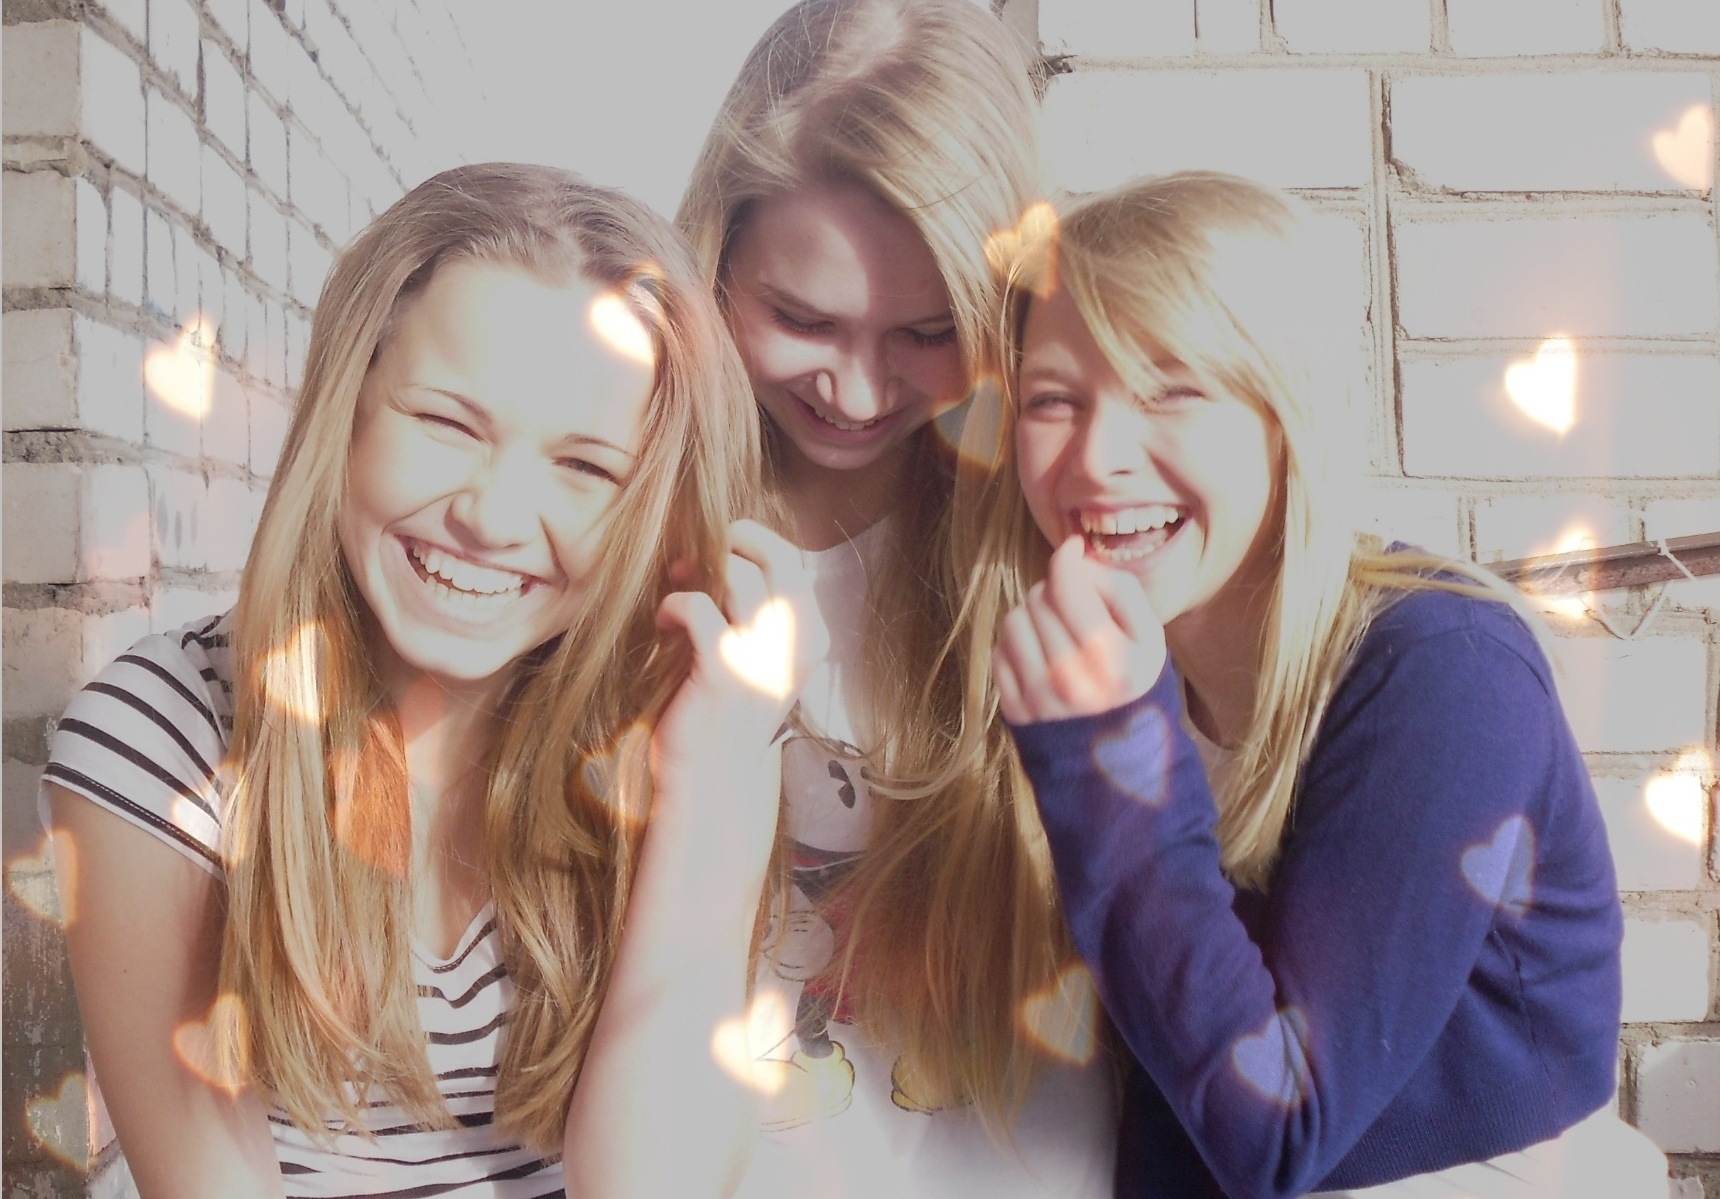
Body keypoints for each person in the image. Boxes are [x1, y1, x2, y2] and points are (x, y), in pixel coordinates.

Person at [43, 162, 818, 1198]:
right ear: (349, 410)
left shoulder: (693, 730)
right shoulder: (162, 740)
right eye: (448, 423)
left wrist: (714, 782)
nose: (491, 516)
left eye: (585, 468)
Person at [969, 172, 1671, 1198]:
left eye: (1170, 389)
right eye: (1051, 400)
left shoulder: (1444, 668)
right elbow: (1170, 1093)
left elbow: (1275, 1128)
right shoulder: (1125, 665)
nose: (1098, 456)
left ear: (1282, 416)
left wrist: (1107, 753)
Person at [674, 0, 1115, 1194]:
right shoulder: (635, 520)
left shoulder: (1060, 531)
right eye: (800, 318)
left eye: (925, 332)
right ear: (715, 262)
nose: (858, 392)